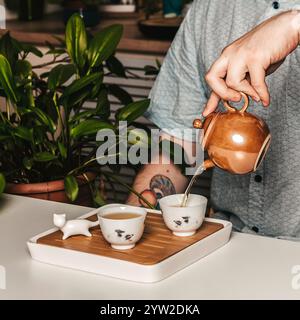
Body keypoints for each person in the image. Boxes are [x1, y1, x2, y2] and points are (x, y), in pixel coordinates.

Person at [127, 0, 300, 240]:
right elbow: (180, 141)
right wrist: (131, 222)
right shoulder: (209, 7)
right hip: (230, 238)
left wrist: (295, 23)